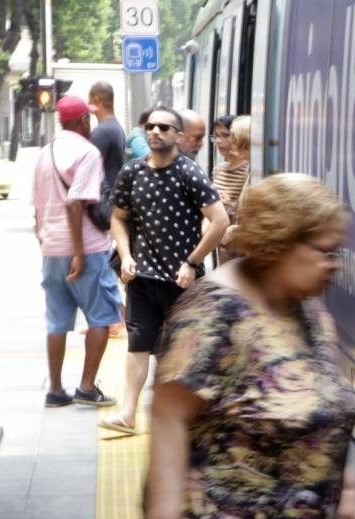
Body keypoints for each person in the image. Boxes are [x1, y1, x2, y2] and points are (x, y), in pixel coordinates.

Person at [144, 173, 355, 519]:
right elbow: (167, 416)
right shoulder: (214, 311)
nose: (335, 264)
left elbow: (321, 407)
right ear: (280, 241)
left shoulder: (302, 306)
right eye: (326, 250)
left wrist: (345, 490)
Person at [98, 106, 229, 435]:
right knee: (137, 345)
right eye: (151, 127)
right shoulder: (132, 172)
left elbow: (220, 221)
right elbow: (118, 217)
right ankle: (128, 413)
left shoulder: (189, 173)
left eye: (164, 128)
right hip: (141, 278)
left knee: (181, 349)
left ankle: (184, 416)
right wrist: (126, 255)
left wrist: (193, 262)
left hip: (180, 281)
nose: (155, 132)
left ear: (178, 136)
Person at [32, 95, 120, 408]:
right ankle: (85, 387)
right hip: (86, 250)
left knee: (56, 322)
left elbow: (37, 208)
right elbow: (75, 203)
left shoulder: (45, 154)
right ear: (82, 121)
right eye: (89, 119)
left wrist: (44, 240)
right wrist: (80, 253)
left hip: (51, 248)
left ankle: (55, 390)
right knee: (101, 318)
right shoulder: (88, 153)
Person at [87, 81, 127, 338]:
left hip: (103, 202)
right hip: (111, 199)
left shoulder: (103, 131)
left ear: (97, 99)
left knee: (100, 261)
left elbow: (87, 162)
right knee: (103, 260)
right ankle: (113, 317)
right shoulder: (116, 128)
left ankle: (117, 316)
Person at [211, 115, 250, 263]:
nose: (219, 141)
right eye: (216, 136)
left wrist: (231, 206)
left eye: (226, 135)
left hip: (238, 243)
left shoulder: (248, 170)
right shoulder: (218, 170)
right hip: (224, 243)